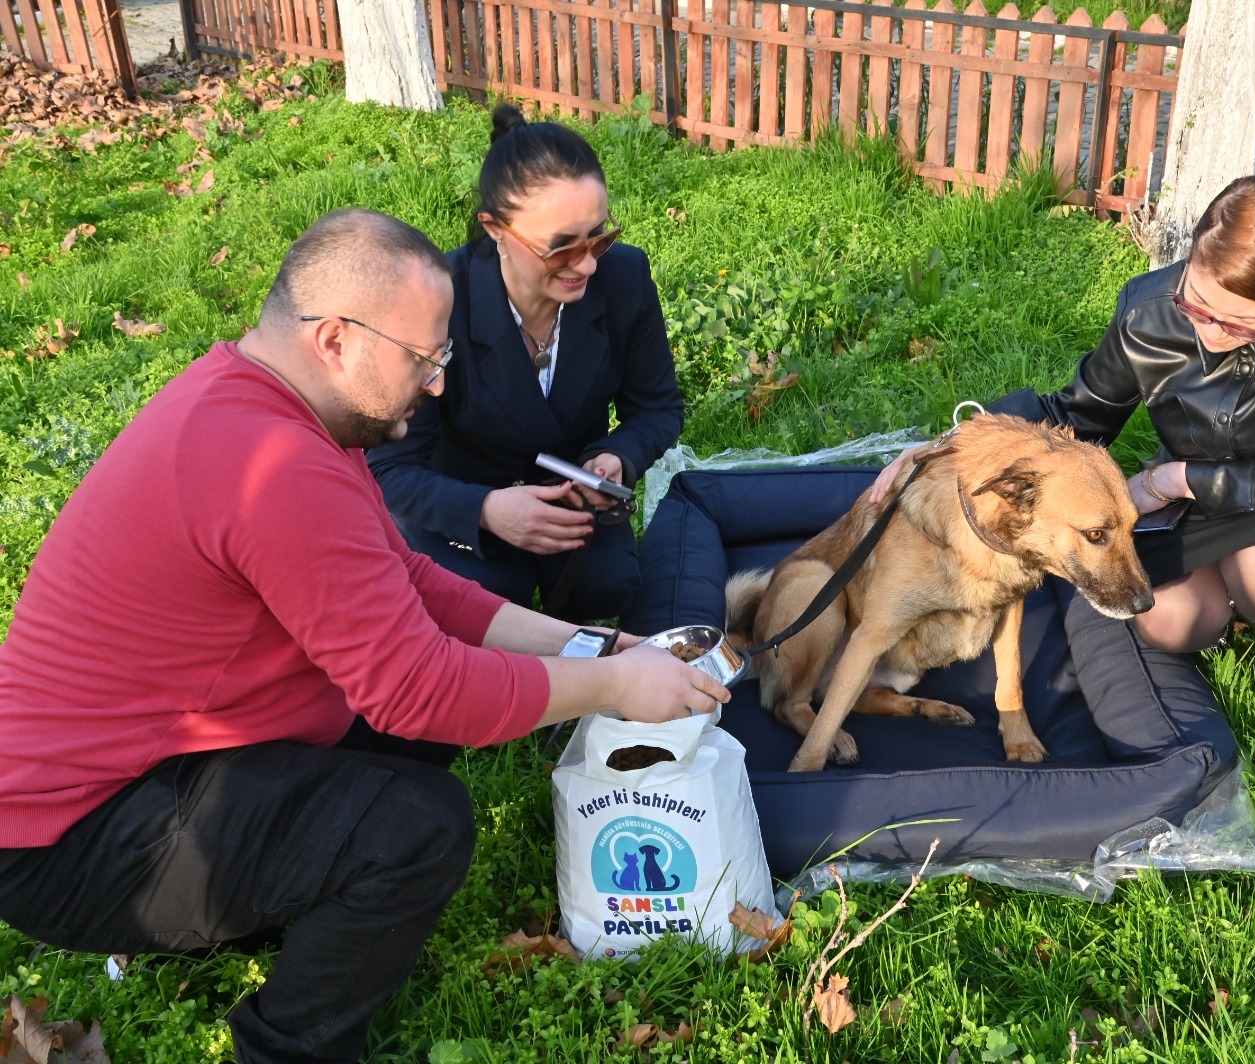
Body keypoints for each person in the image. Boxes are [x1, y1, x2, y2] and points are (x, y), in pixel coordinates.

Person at [0, 209, 727, 1064]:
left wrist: (589, 647)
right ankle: (285, 1049)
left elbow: (408, 583)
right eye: (424, 359)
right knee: (416, 825)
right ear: (337, 339)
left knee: (408, 743)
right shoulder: (272, 465)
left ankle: (270, 900)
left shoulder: (281, 405)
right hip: (72, 837)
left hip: (162, 760)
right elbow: (421, 690)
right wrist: (616, 689)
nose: (438, 385)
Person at [874, 175, 1255, 739]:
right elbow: (1077, 413)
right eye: (1197, 304)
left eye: (1242, 323)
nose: (1212, 332)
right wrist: (954, 444)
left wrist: (1174, 479)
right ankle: (1229, 616)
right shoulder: (1147, 309)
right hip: (1203, 503)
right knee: (1169, 619)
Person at [367, 105, 682, 624]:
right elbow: (390, 468)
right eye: (560, 250)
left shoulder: (624, 279)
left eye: (600, 237)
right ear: (494, 229)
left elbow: (658, 407)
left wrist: (614, 459)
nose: (587, 265)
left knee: (609, 587)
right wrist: (486, 510)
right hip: (460, 510)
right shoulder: (439, 301)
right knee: (480, 606)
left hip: (572, 509)